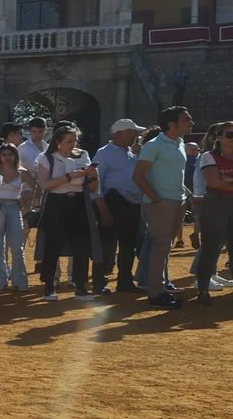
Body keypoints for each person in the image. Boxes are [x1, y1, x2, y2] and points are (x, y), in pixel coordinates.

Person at [132, 106, 193, 309]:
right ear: (171, 124)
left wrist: (188, 197)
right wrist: (157, 199)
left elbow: (175, 174)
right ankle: (155, 294)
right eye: (186, 120)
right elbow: (138, 176)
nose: (191, 123)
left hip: (178, 201)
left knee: (164, 248)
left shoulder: (180, 143)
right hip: (161, 203)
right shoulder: (154, 145)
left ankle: (160, 290)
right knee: (161, 247)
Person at [33, 126, 99, 303]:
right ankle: (49, 286)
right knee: (52, 244)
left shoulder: (83, 155)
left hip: (79, 202)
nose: (73, 144)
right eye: (69, 141)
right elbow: (45, 185)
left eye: (75, 140)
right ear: (58, 142)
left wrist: (94, 175)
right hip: (56, 203)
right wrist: (68, 176)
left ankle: (80, 287)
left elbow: (93, 188)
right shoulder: (47, 158)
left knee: (81, 246)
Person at [94, 119, 145, 294]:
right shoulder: (104, 153)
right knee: (106, 245)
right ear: (119, 133)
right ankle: (99, 283)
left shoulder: (132, 154)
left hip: (132, 204)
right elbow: (95, 183)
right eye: (132, 131)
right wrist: (103, 209)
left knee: (128, 244)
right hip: (113, 201)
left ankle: (125, 281)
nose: (136, 135)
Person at [194, 122, 233, 300]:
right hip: (216, 202)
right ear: (218, 137)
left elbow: (219, 180)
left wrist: (226, 178)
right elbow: (214, 182)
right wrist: (222, 180)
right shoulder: (209, 156)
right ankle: (203, 289)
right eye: (230, 135)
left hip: (223, 200)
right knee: (210, 247)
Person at [0, 144, 31, 292]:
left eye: (10, 154)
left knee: (17, 247)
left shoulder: (22, 173)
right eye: (4, 154)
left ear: (15, 156)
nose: (7, 158)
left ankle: (20, 281)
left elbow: (38, 188)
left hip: (14, 209)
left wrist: (25, 197)